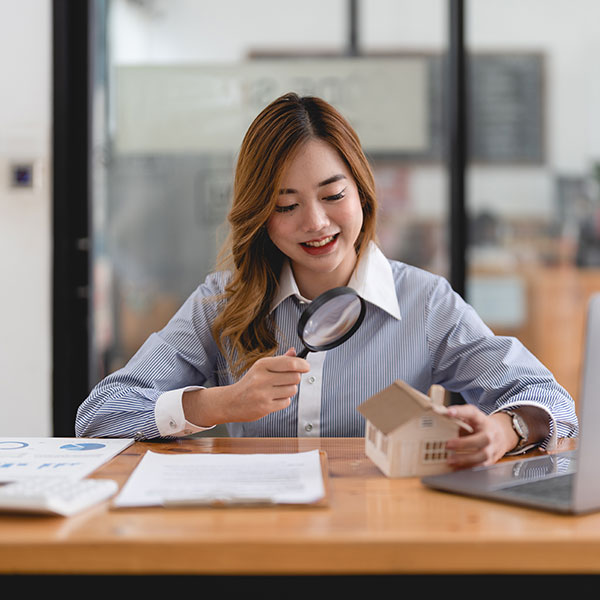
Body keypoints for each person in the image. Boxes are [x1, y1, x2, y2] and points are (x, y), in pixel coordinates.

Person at [76, 92, 578, 469]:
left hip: (382, 538)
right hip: (259, 535)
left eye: (333, 195)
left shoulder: (425, 303)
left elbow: (553, 401)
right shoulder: (220, 302)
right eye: (286, 206)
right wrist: (220, 403)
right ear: (259, 216)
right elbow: (99, 416)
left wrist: (501, 430)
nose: (314, 223)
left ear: (362, 193)